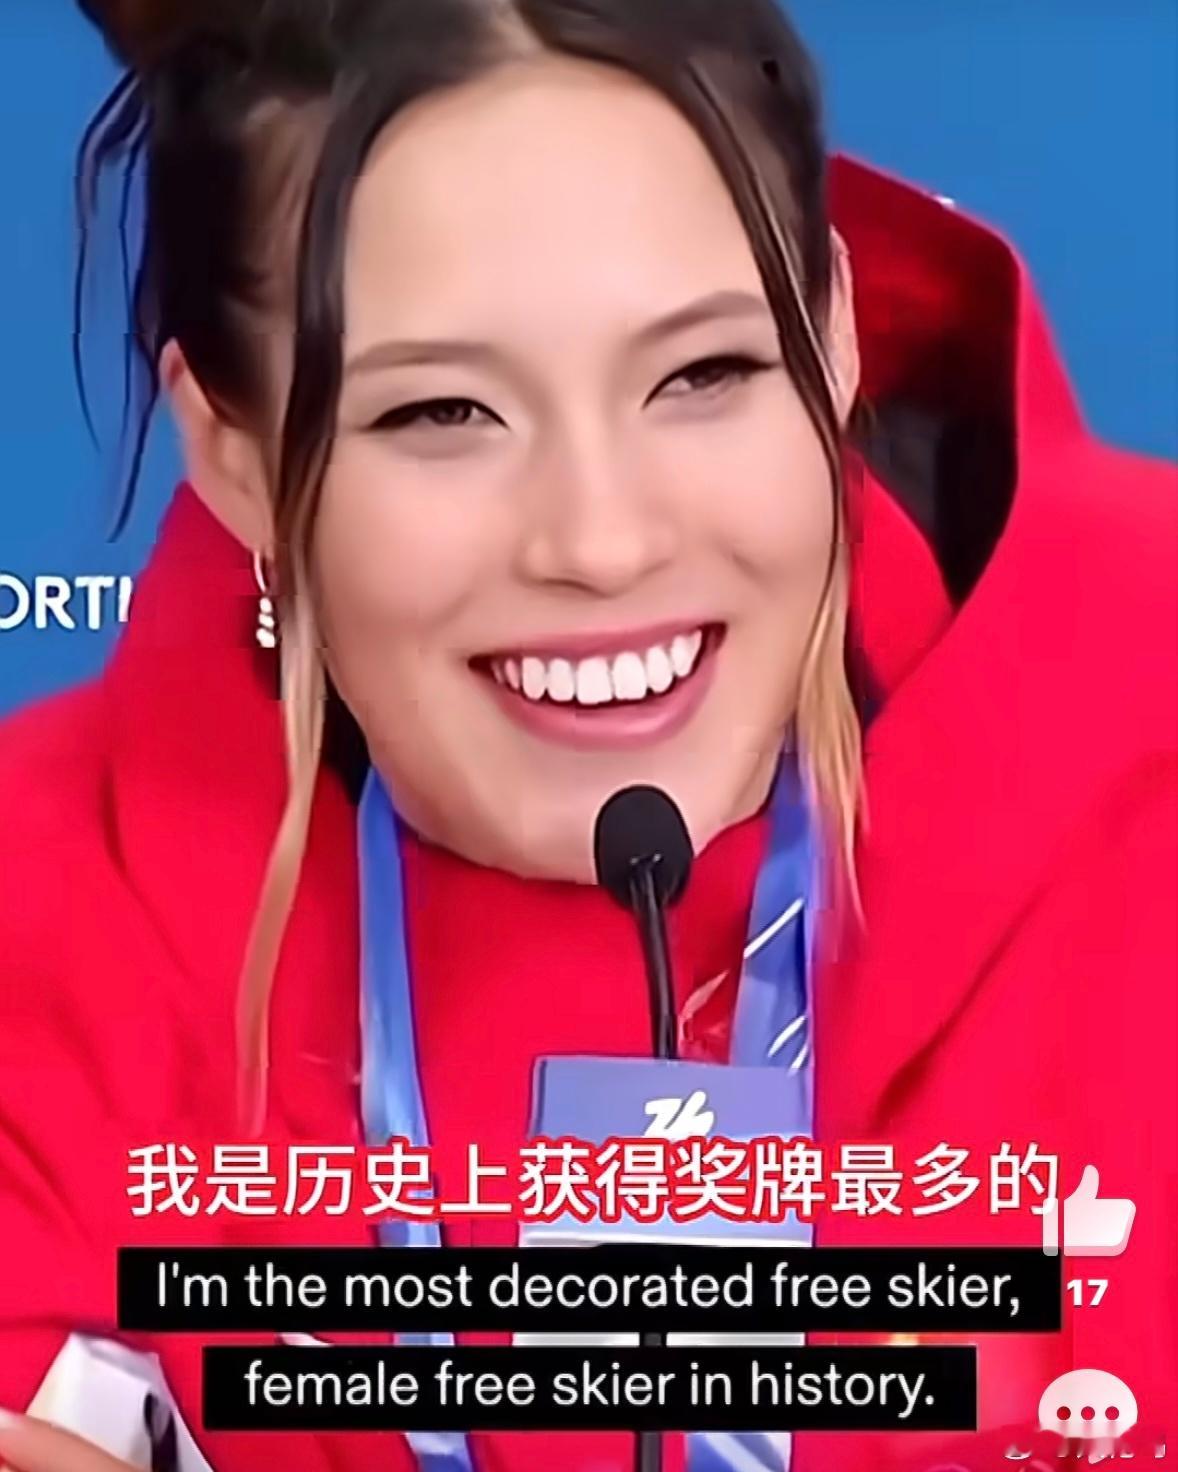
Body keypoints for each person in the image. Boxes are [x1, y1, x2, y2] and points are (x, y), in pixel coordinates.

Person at [0, 1, 1174, 1470]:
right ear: (233, 453)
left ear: (832, 332)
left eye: (703, 376)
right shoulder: (46, 910)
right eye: (441, 413)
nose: (602, 543)